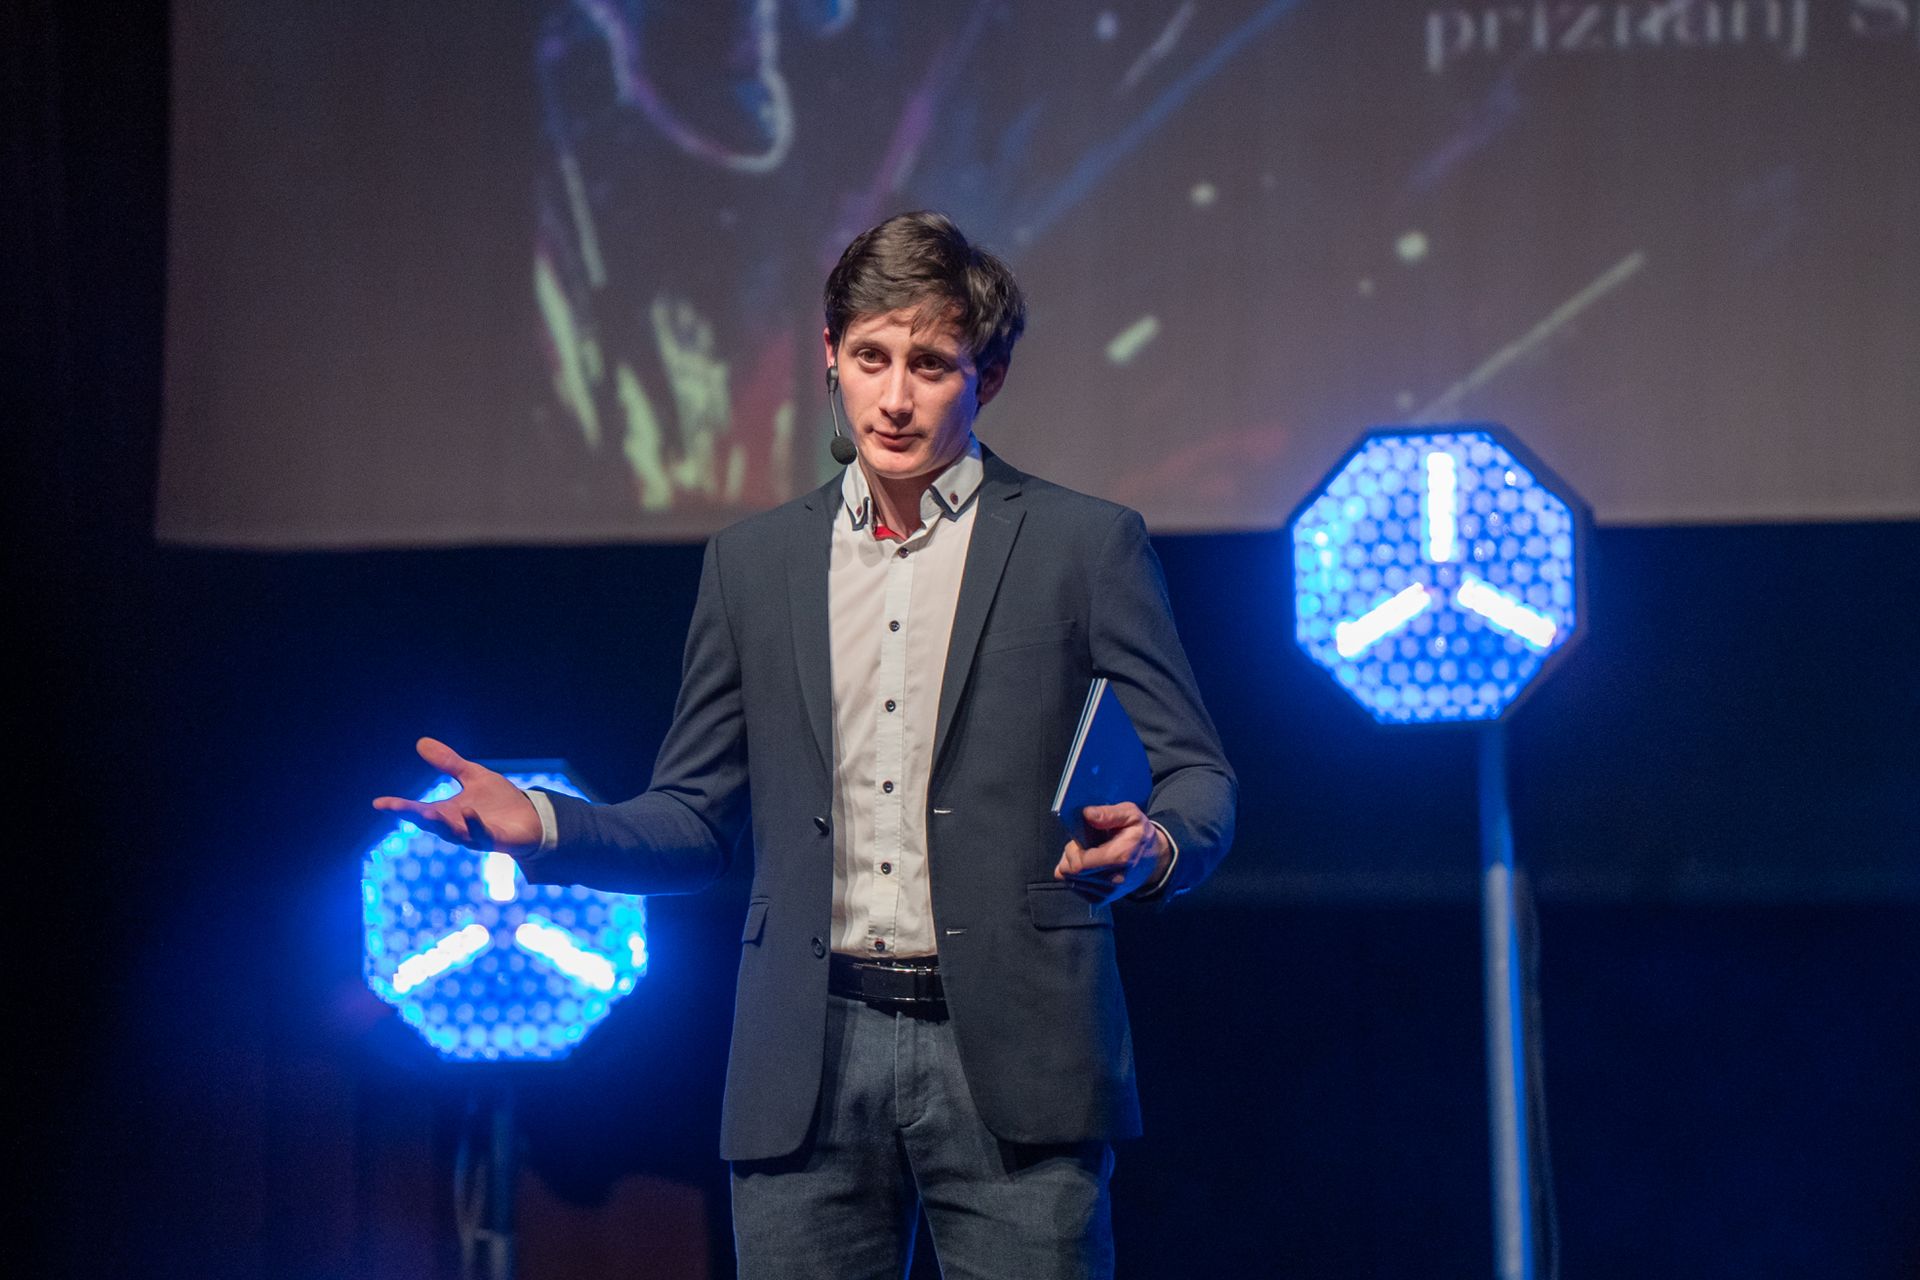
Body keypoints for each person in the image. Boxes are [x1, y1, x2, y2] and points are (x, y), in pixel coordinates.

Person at [375, 211, 1236, 1278]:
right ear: (829, 354)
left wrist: (1156, 845)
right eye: (871, 357)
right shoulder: (755, 564)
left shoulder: (1082, 544)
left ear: (990, 375)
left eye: (930, 364)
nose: (895, 396)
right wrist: (548, 825)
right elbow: (695, 819)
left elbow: (1198, 773)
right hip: (808, 1057)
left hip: (1018, 1050)